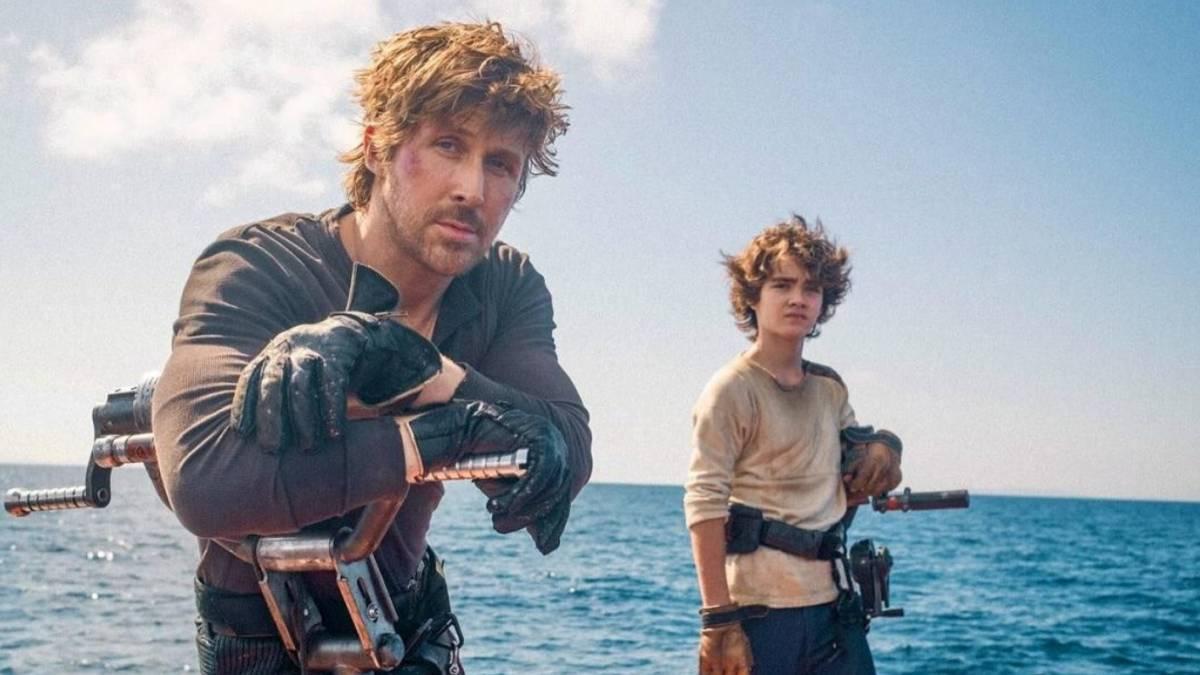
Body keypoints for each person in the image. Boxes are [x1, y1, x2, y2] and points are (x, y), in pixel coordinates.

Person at [151, 21, 591, 674]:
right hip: (257, 638)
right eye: (447, 144)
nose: (472, 189)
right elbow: (204, 480)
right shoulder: (258, 264)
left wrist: (425, 373)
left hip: (403, 627)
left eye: (500, 163)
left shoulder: (504, 285)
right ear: (377, 147)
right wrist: (435, 438)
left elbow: (565, 449)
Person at [684, 217, 903, 674]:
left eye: (811, 288)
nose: (798, 298)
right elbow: (704, 503)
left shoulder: (830, 390)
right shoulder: (730, 389)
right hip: (760, 614)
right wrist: (718, 621)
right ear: (752, 296)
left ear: (824, 301)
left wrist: (885, 449)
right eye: (782, 285)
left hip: (833, 610)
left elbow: (857, 461)